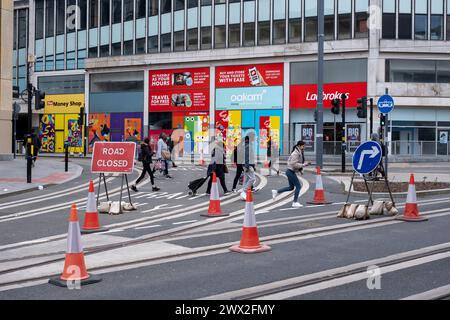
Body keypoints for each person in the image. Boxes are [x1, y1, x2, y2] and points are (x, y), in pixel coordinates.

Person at [272, 141, 311, 208]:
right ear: (299, 146)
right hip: (290, 172)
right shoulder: (295, 153)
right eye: (303, 146)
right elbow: (294, 164)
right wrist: (304, 165)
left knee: (291, 187)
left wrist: (300, 169)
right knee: (298, 186)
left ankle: (276, 191)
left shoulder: (298, 152)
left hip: (290, 171)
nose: (304, 147)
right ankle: (295, 202)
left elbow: (292, 163)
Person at [240, 135, 256, 200]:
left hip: (246, 164)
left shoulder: (246, 145)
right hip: (247, 165)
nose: (254, 138)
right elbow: (247, 156)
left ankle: (243, 193)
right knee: (252, 178)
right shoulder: (247, 146)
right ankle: (244, 191)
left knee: (246, 179)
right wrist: (247, 166)